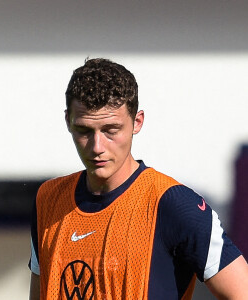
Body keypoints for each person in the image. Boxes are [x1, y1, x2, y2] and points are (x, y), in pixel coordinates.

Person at [29, 58, 248, 300]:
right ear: (67, 120)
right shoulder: (48, 200)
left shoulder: (174, 204)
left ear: (137, 122)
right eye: (84, 131)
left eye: (111, 130)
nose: (97, 146)